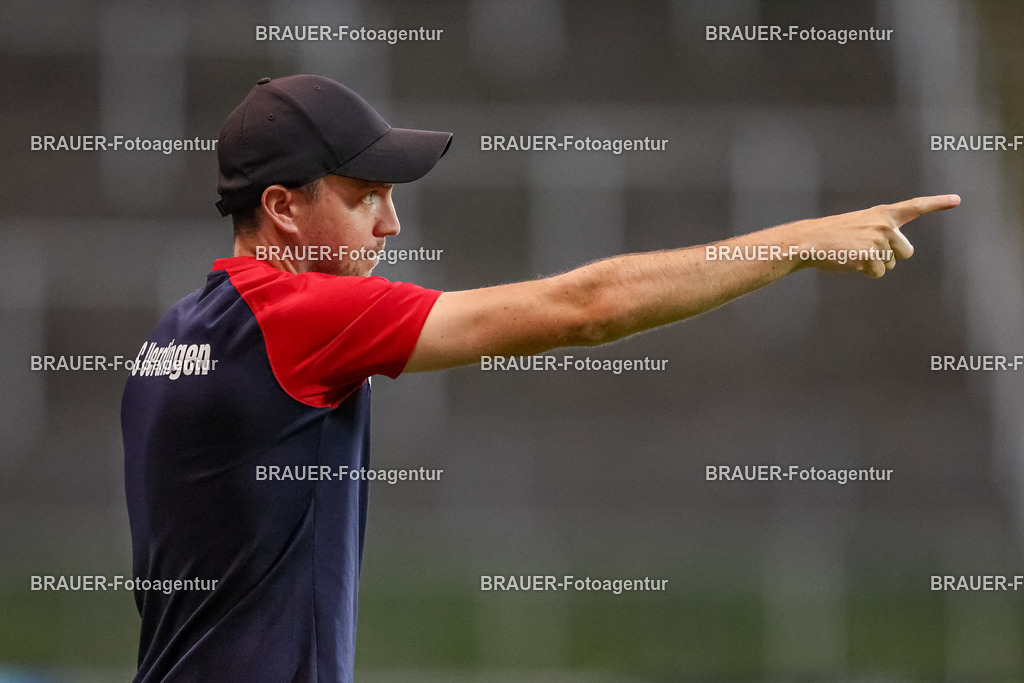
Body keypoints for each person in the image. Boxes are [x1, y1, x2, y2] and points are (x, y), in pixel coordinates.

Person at [121, 73, 960, 682]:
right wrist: (797, 242)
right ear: (283, 208)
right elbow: (586, 307)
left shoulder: (173, 338)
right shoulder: (296, 316)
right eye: (365, 195)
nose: (392, 221)